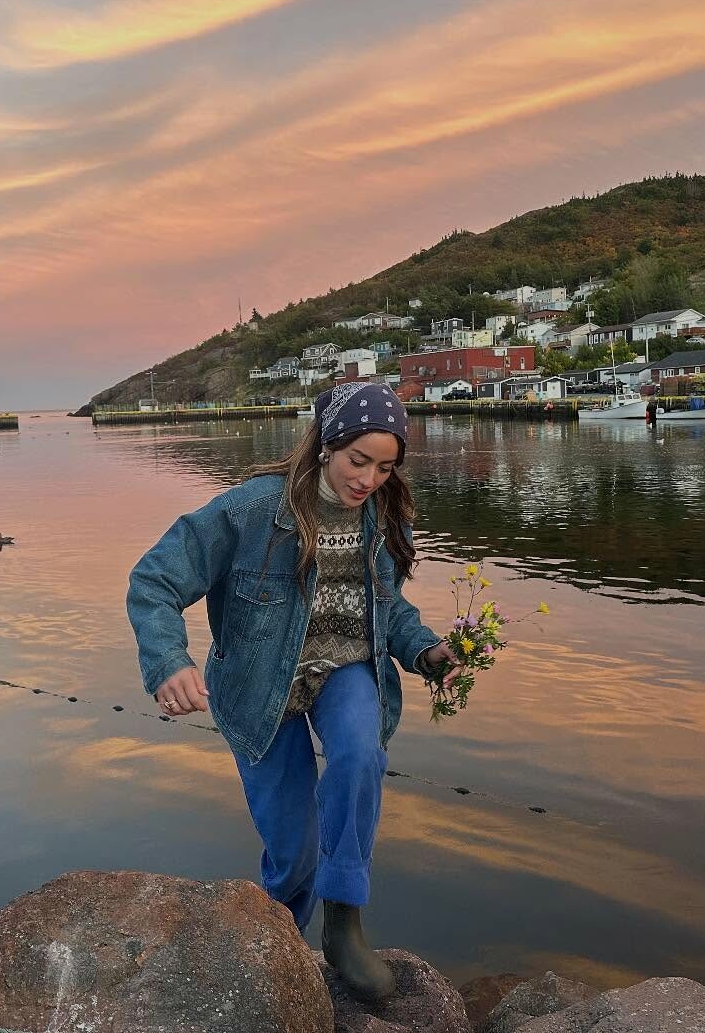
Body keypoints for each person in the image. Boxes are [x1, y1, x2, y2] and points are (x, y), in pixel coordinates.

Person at [126, 381, 465, 1002]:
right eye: (358, 461)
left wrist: (424, 650)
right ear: (326, 444)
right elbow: (154, 581)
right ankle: (279, 937)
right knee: (295, 847)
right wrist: (169, 662)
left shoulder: (385, 516)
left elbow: (388, 607)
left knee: (360, 755)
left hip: (346, 668)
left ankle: (344, 923)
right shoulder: (252, 510)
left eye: (385, 468)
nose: (368, 480)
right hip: (261, 689)